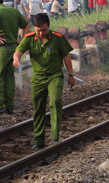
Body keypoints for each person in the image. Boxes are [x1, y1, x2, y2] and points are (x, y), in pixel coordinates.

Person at [13, 13, 74, 149]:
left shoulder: (58, 38)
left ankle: (55, 137)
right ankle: (38, 140)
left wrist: (71, 75)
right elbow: (18, 51)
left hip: (55, 76)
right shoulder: (29, 38)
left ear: (49, 27)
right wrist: (16, 58)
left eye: (44, 30)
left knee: (55, 102)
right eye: (38, 30)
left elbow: (66, 56)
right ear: (34, 28)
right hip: (38, 78)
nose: (41, 33)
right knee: (38, 108)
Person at [0, 0, 30, 115]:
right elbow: (26, 25)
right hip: (13, 49)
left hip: (2, 49)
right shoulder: (14, 11)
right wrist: (22, 41)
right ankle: (10, 106)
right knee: (9, 77)